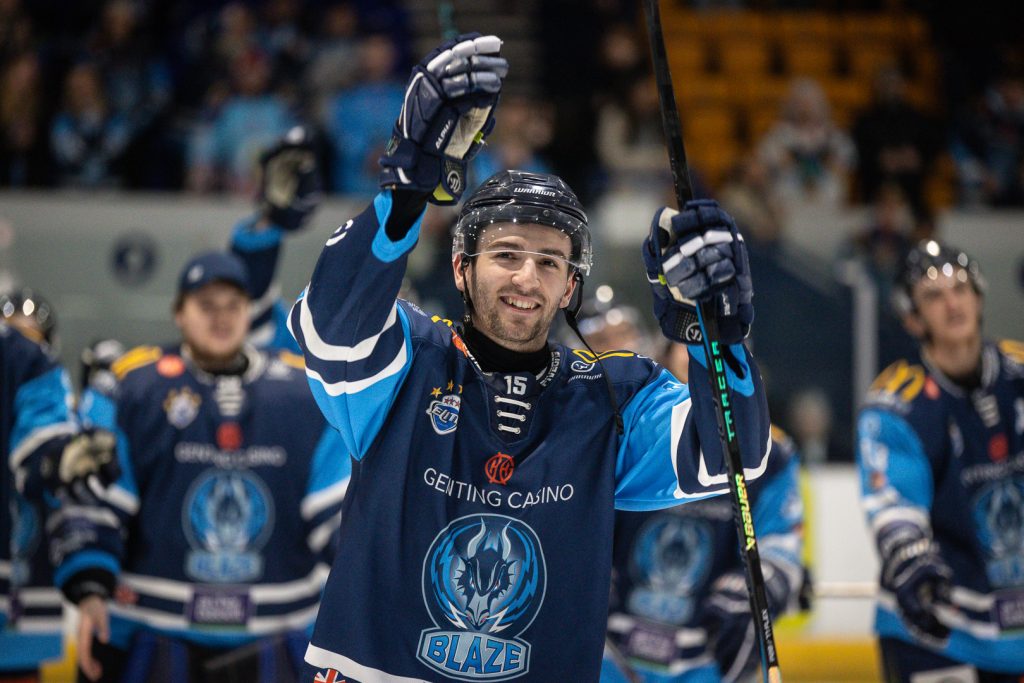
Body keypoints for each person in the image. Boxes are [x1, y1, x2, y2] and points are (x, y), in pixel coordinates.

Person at [291, 33, 770, 682]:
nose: (527, 277)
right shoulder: (411, 358)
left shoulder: (612, 394)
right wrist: (404, 189)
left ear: (571, 287)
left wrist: (719, 338)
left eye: (550, 262)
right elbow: (329, 334)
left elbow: (730, 457)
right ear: (461, 268)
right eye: (507, 254)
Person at [57, 251, 350, 682]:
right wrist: (89, 589)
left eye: (233, 306)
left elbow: (339, 518)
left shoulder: (303, 393)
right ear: (179, 313)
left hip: (278, 633)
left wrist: (372, 592)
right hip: (153, 633)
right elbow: (97, 502)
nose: (221, 318)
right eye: (206, 306)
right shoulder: (135, 385)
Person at [857, 239, 1024, 681]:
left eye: (961, 289)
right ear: (913, 317)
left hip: (1013, 628)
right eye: (934, 295)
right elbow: (893, 506)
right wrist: (911, 558)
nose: (952, 304)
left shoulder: (1019, 374)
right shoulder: (897, 402)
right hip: (932, 628)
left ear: (979, 296)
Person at [603, 345, 804, 683]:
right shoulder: (624, 428)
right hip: (610, 652)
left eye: (716, 343)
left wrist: (757, 590)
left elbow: (781, 542)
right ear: (664, 354)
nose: (697, 355)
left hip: (707, 658)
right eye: (688, 343)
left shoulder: (770, 453)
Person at [1, 299, 117, 682]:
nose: (21, 341)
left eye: (30, 335)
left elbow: (57, 475)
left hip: (20, 584)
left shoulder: (38, 381)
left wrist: (88, 582)